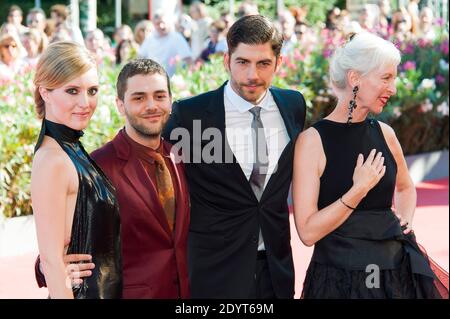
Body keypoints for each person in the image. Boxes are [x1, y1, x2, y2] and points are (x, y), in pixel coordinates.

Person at [292, 32, 449, 299]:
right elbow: (307, 232)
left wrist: (406, 221)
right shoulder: (312, 142)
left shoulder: (386, 133)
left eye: (394, 78)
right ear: (355, 78)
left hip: (395, 275)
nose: (394, 89)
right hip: (339, 282)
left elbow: (405, 187)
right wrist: (358, 190)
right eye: (386, 78)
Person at [163, 15, 306, 298]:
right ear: (227, 60)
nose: (252, 75)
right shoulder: (190, 115)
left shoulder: (294, 105)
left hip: (275, 271)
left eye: (263, 63)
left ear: (278, 63)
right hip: (214, 272)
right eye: (243, 62)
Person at [35, 59, 190, 299]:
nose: (152, 106)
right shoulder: (96, 166)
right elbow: (61, 243)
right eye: (139, 98)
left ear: (170, 101)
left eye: (160, 96)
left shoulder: (182, 158)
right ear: (120, 105)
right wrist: (48, 266)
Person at [31, 41, 122, 299]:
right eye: (72, 90)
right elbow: (50, 260)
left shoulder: (71, 149)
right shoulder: (53, 159)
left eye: (92, 90)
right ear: (45, 92)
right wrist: (54, 270)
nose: (85, 102)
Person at [138, 10, 192, 77]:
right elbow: (140, 57)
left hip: (173, 80)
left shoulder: (177, 37)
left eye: (163, 22)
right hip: (153, 79)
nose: (161, 26)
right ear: (154, 25)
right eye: (157, 24)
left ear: (168, 22)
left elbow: (188, 59)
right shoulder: (150, 38)